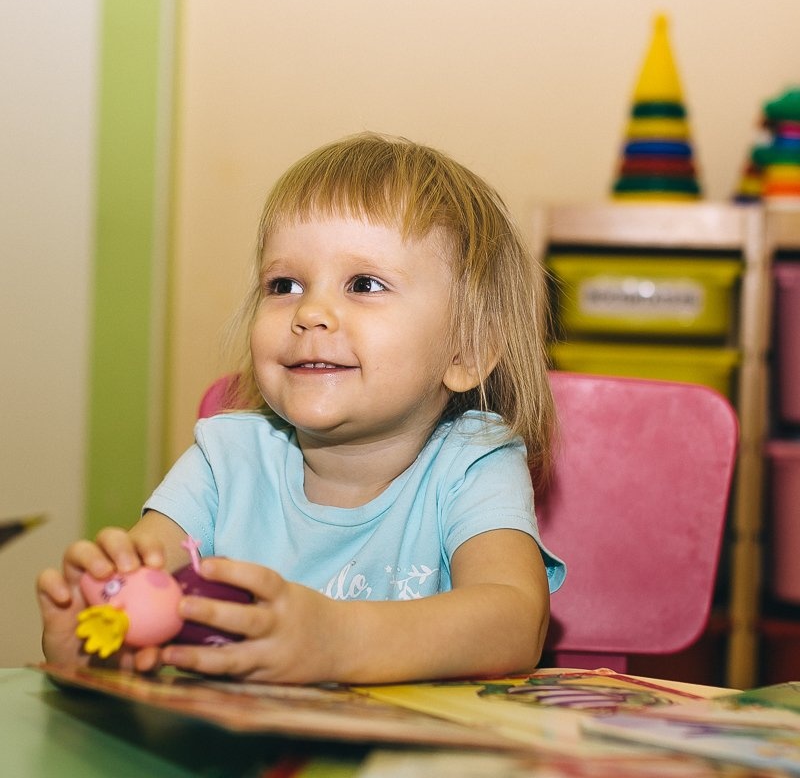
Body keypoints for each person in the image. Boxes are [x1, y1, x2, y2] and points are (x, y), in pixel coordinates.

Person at [38, 133, 564, 684]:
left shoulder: (472, 463)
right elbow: (146, 590)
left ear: (467, 350)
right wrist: (101, 629)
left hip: (410, 766)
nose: (310, 311)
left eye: (364, 284)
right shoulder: (225, 458)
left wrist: (338, 640)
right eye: (284, 284)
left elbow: (514, 623)